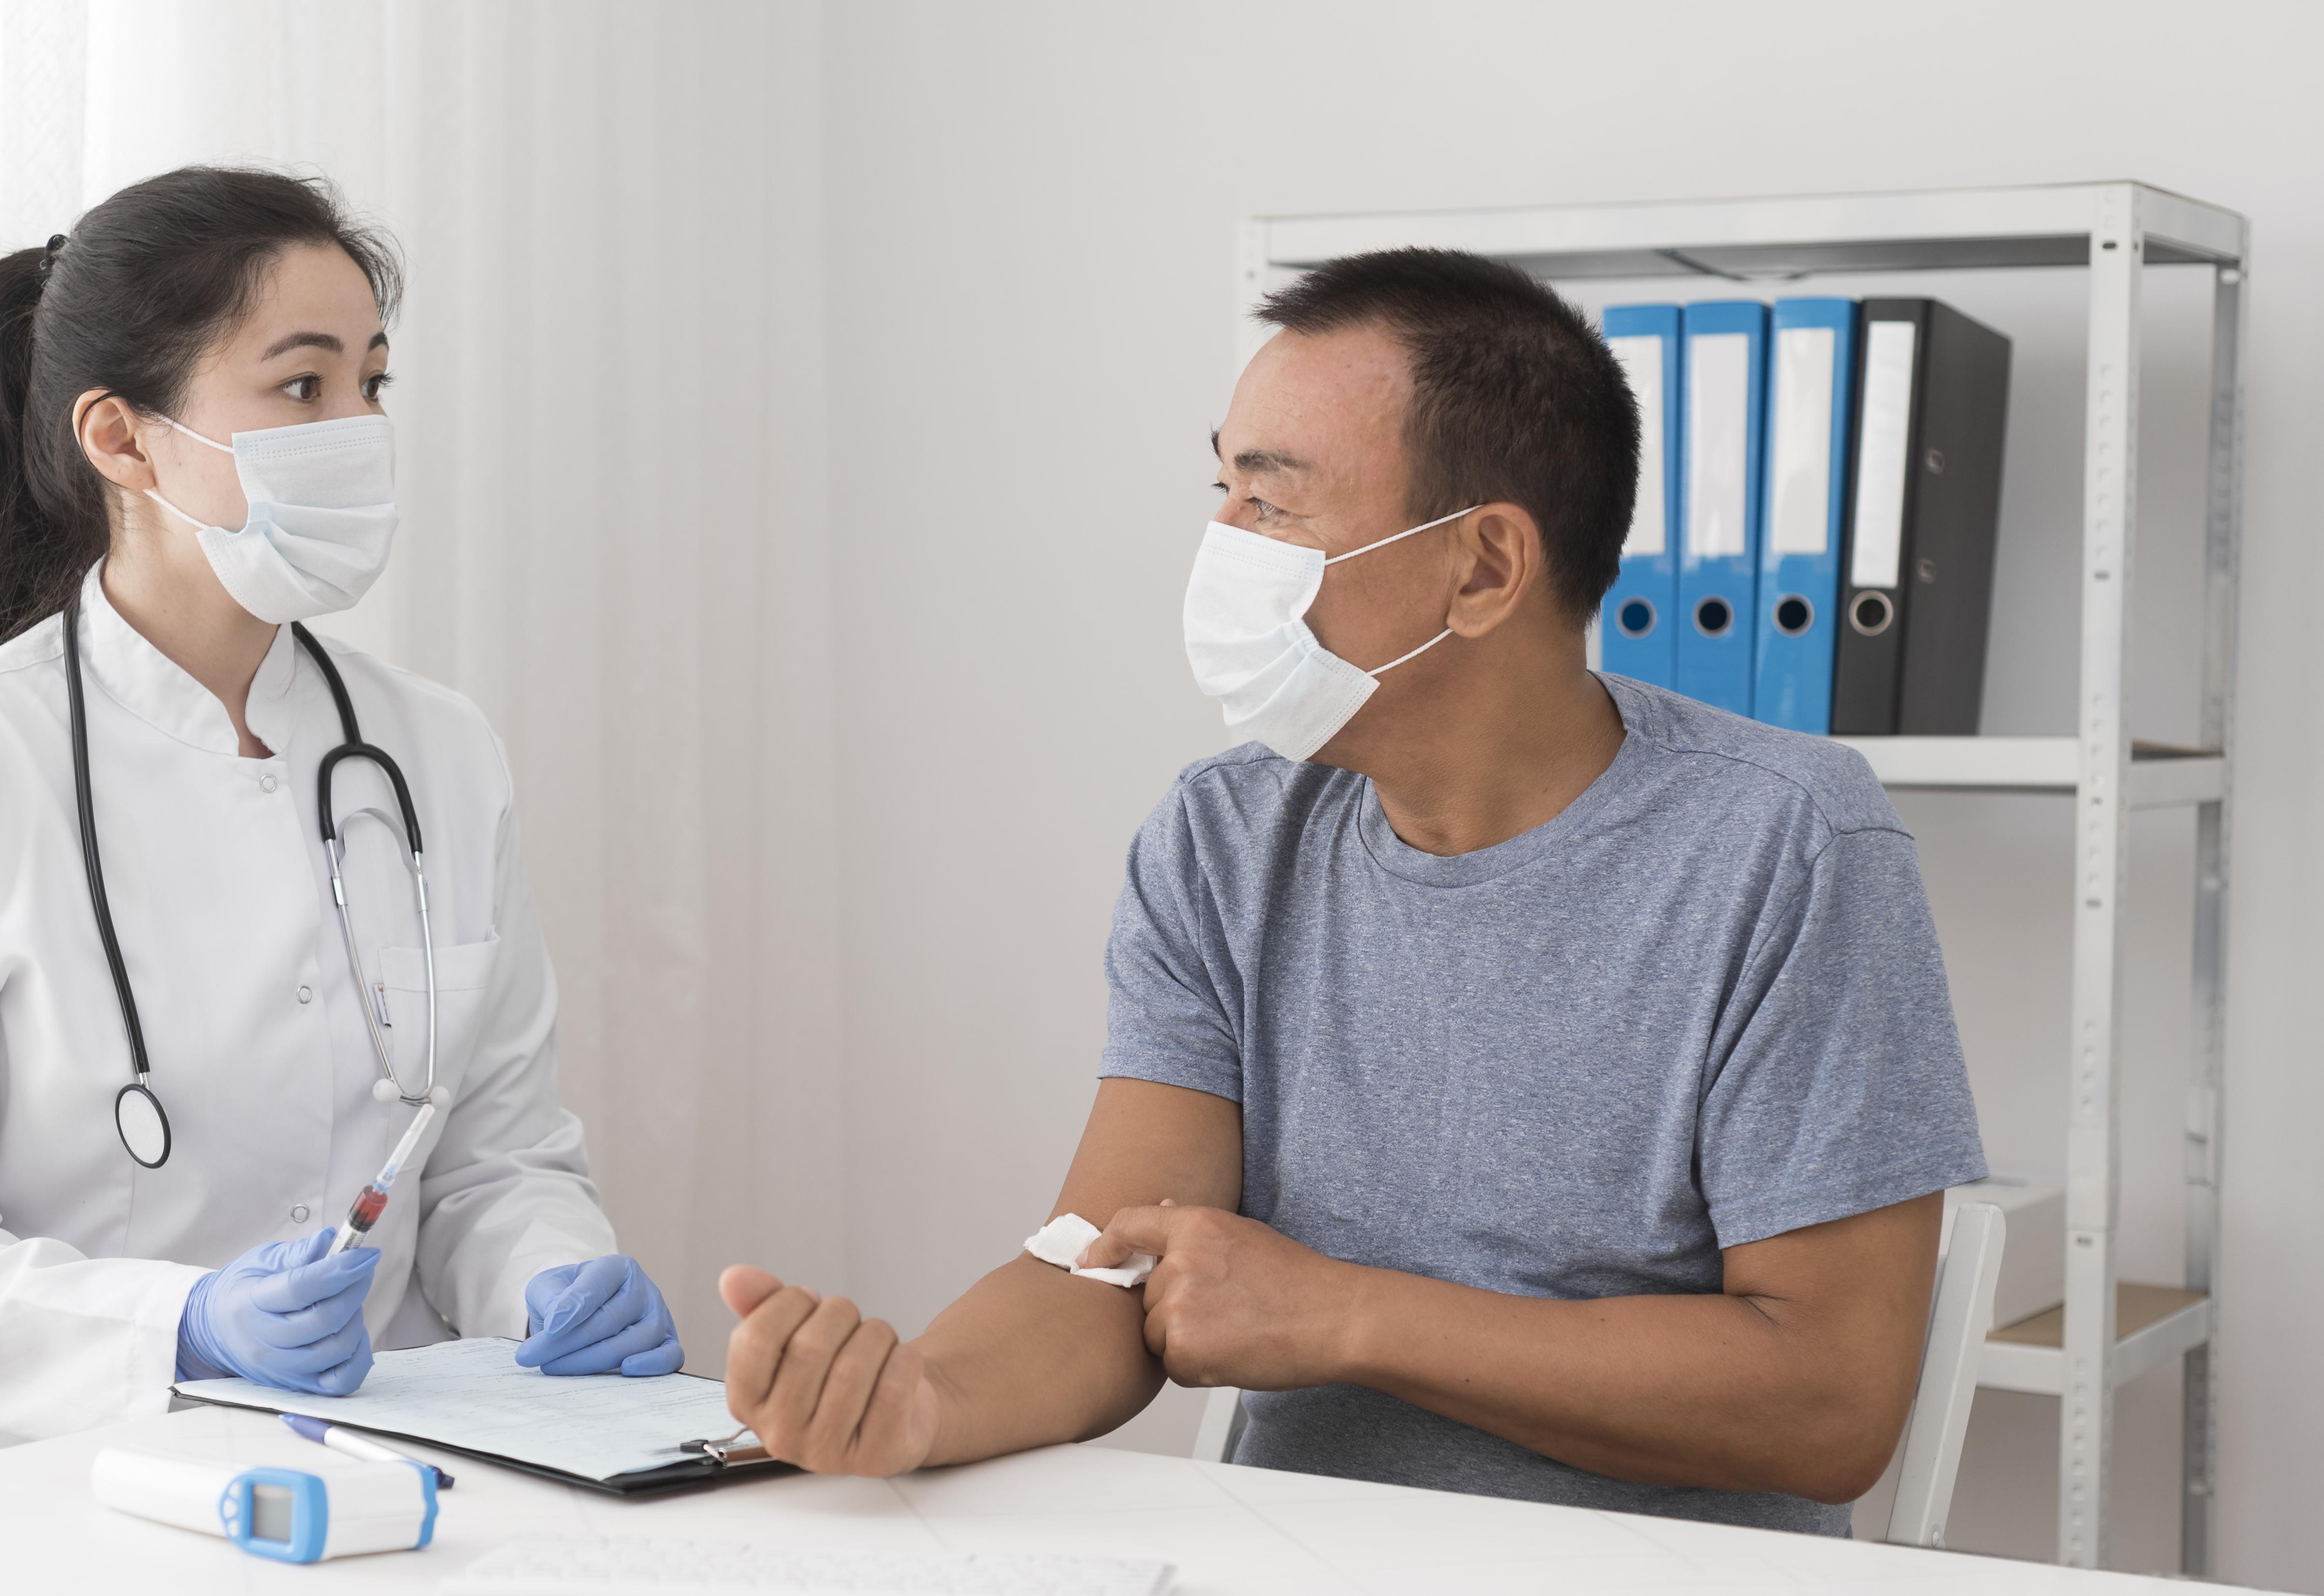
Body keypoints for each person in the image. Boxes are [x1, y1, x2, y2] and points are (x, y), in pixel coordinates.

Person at [714, 248, 1987, 1534]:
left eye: (1271, 504)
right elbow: (1104, 1264)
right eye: (1221, 489)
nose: (1220, 547)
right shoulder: (1220, 837)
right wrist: (919, 1401)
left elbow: (1829, 1401)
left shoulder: (1786, 843)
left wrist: (1349, 1314)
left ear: (1483, 568)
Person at [0, 167, 677, 1468]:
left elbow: (493, 1159)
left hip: (359, 1448)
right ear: (123, 437)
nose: (357, 427)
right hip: (1, 1466)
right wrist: (183, 1324)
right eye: (301, 385)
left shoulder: (436, 752)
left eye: (372, 382)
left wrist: (551, 1277)